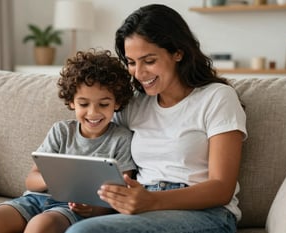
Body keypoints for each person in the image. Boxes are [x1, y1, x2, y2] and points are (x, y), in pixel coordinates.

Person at [66, 4, 247, 233]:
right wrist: (94, 204)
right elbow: (99, 143)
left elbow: (222, 188)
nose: (139, 73)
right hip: (141, 209)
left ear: (177, 52)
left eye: (149, 61)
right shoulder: (135, 104)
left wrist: (152, 200)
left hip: (206, 214)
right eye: (131, 62)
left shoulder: (217, 98)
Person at [0, 49, 137, 233]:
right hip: (35, 199)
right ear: (72, 101)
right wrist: (55, 179)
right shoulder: (61, 131)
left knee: (41, 225)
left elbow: (119, 196)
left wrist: (91, 209)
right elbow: (31, 181)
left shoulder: (120, 139)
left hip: (72, 208)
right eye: (83, 104)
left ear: (117, 103)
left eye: (103, 104)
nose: (93, 112)